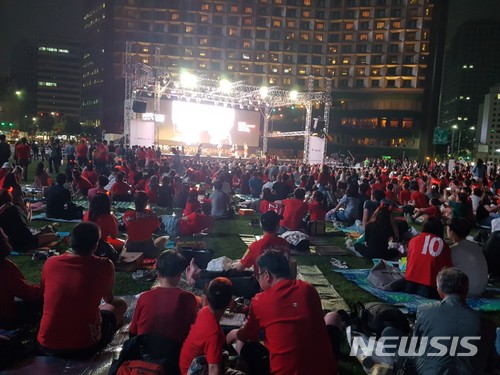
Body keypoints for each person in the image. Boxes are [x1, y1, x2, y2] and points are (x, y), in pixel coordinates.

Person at [227, 250, 338, 375]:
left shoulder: (260, 300)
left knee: (243, 344)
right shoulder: (308, 289)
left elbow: (247, 336)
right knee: (333, 316)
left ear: (267, 276)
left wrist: (232, 334)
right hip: (326, 369)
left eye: (258, 276)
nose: (258, 279)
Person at [37, 222, 127, 358]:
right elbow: (108, 299)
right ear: (96, 244)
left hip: (45, 344)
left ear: (71, 241)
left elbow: (44, 293)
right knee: (120, 304)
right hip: (84, 346)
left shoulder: (51, 262)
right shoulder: (105, 265)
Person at [185, 210, 290, 299]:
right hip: (278, 283)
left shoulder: (257, 246)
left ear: (261, 225)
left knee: (228, 281)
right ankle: (200, 273)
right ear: (277, 226)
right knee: (239, 274)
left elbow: (238, 269)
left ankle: (196, 282)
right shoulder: (285, 244)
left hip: (261, 286)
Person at [412, 267, 497, 374]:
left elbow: (415, 347)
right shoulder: (487, 325)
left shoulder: (425, 311)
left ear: (439, 291)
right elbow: (491, 365)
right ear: (466, 291)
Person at [130, 251, 197, 344]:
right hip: (176, 354)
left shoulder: (144, 298)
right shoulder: (189, 299)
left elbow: (133, 331)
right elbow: (194, 330)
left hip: (145, 352)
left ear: (158, 274)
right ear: (179, 275)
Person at [179, 277, 234, 375]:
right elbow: (214, 369)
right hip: (194, 370)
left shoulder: (203, 311)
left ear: (207, 299)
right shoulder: (214, 334)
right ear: (230, 303)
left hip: (185, 364)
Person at [0, 228, 42, 329]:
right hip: (5, 320)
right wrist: (46, 288)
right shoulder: (5, 267)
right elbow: (28, 293)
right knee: (41, 300)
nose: (7, 236)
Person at [405, 217, 452, 299]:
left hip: (409, 283)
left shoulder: (414, 240)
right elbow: (447, 268)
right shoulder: (443, 245)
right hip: (430, 288)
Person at [447, 218, 488, 297]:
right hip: (481, 288)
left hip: (468, 291)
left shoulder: (455, 250)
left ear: (452, 232)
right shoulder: (475, 245)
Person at [123, 191, 163, 258]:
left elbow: (127, 226)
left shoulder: (127, 215)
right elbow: (156, 228)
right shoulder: (152, 215)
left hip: (132, 250)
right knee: (162, 240)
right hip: (148, 251)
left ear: (134, 202)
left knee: (127, 238)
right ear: (146, 203)